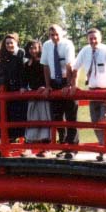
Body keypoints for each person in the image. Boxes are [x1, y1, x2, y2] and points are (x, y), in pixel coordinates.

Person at [72, 27, 106, 161]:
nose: (93, 41)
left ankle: (104, 150)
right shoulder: (85, 51)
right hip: (93, 92)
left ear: (100, 38)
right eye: (90, 39)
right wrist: (74, 85)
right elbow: (75, 68)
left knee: (103, 119)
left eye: (95, 38)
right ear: (87, 39)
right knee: (95, 121)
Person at [40, 24, 77, 159]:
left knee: (71, 115)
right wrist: (48, 85)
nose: (54, 37)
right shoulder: (47, 45)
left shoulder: (68, 44)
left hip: (66, 80)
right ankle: (63, 145)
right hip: (54, 81)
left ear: (62, 33)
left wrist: (68, 85)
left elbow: (69, 65)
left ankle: (72, 147)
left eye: (57, 34)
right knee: (57, 117)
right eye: (52, 35)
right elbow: (46, 66)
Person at [0, 33, 27, 147]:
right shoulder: (5, 56)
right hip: (10, 90)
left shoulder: (21, 53)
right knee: (10, 117)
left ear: (16, 43)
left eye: (11, 43)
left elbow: (24, 71)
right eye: (7, 43)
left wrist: (23, 86)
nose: (9, 45)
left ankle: (25, 145)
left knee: (22, 117)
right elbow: (0, 74)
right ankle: (12, 144)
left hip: (21, 89)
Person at [22, 40, 51, 155]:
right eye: (30, 48)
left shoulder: (44, 62)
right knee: (32, 119)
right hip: (32, 94)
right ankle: (29, 146)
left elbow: (47, 77)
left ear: (39, 48)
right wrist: (23, 87)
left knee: (44, 119)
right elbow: (24, 79)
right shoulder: (26, 64)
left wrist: (45, 86)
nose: (33, 50)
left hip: (43, 94)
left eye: (35, 48)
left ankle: (46, 148)